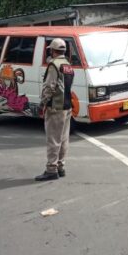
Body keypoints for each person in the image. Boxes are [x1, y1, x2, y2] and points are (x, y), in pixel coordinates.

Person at [35, 38, 74, 181]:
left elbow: (49, 87)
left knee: (53, 139)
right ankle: (60, 167)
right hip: (67, 106)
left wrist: (42, 103)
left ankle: (51, 169)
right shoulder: (68, 65)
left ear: (52, 50)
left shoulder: (54, 65)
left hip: (55, 107)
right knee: (63, 139)